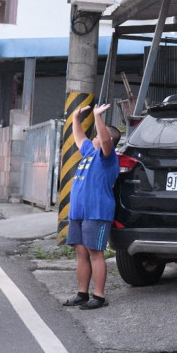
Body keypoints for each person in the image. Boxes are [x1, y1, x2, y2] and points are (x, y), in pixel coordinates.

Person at [62, 104, 121, 310]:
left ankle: (99, 296)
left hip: (97, 212)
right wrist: (76, 118)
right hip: (78, 212)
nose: (93, 137)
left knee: (95, 252)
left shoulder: (108, 158)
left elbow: (104, 140)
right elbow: (79, 139)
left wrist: (97, 116)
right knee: (81, 252)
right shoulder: (89, 153)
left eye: (96, 135)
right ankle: (82, 293)